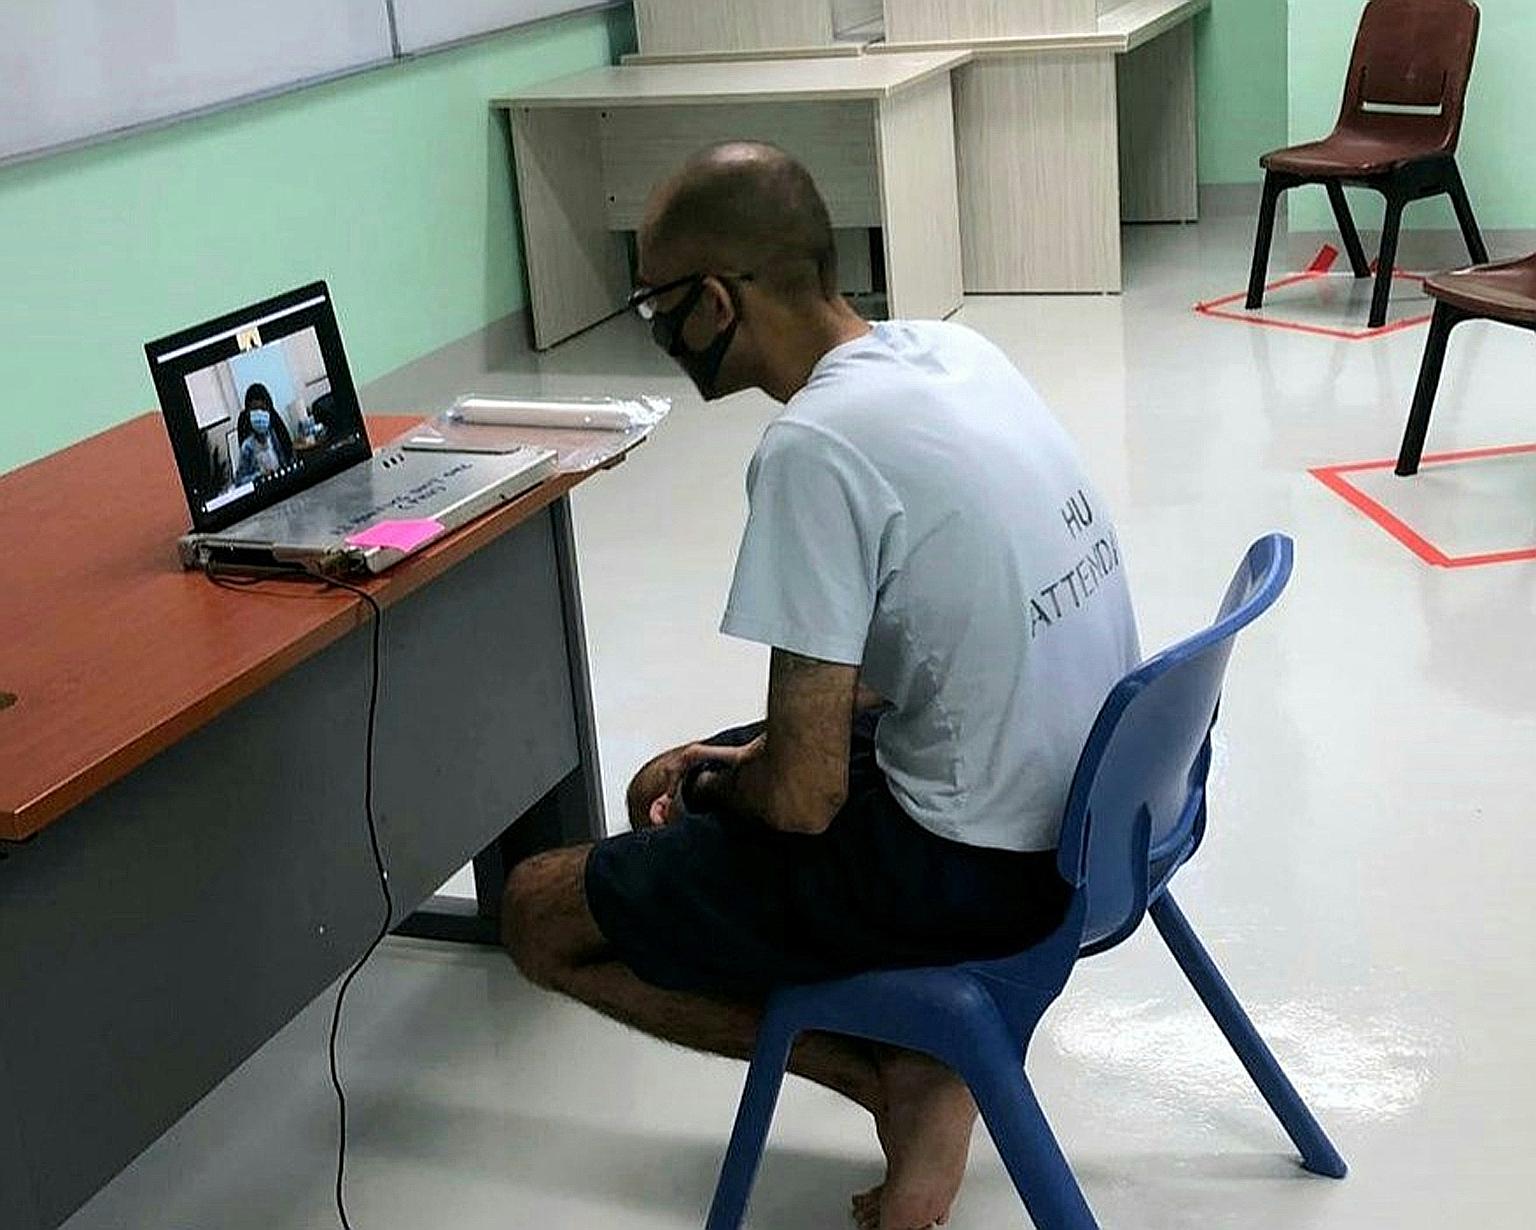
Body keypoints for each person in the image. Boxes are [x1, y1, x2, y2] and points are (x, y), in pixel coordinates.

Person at [501, 143, 1140, 1230]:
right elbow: (924, 655)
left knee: (536, 910)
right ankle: (913, 1061)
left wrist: (719, 786)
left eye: (658, 303)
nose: (658, 329)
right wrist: (730, 761)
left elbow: (802, 801)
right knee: (682, 774)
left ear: (712, 302)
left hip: (984, 869)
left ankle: (895, 1070)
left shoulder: (815, 446)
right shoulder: (954, 350)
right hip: (1111, 807)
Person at [233, 383, 293, 482]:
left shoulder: (274, 433)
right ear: (248, 412)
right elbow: (240, 479)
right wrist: (259, 476)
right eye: (255, 409)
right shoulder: (247, 446)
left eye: (263, 409)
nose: (259, 413)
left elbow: (289, 454)